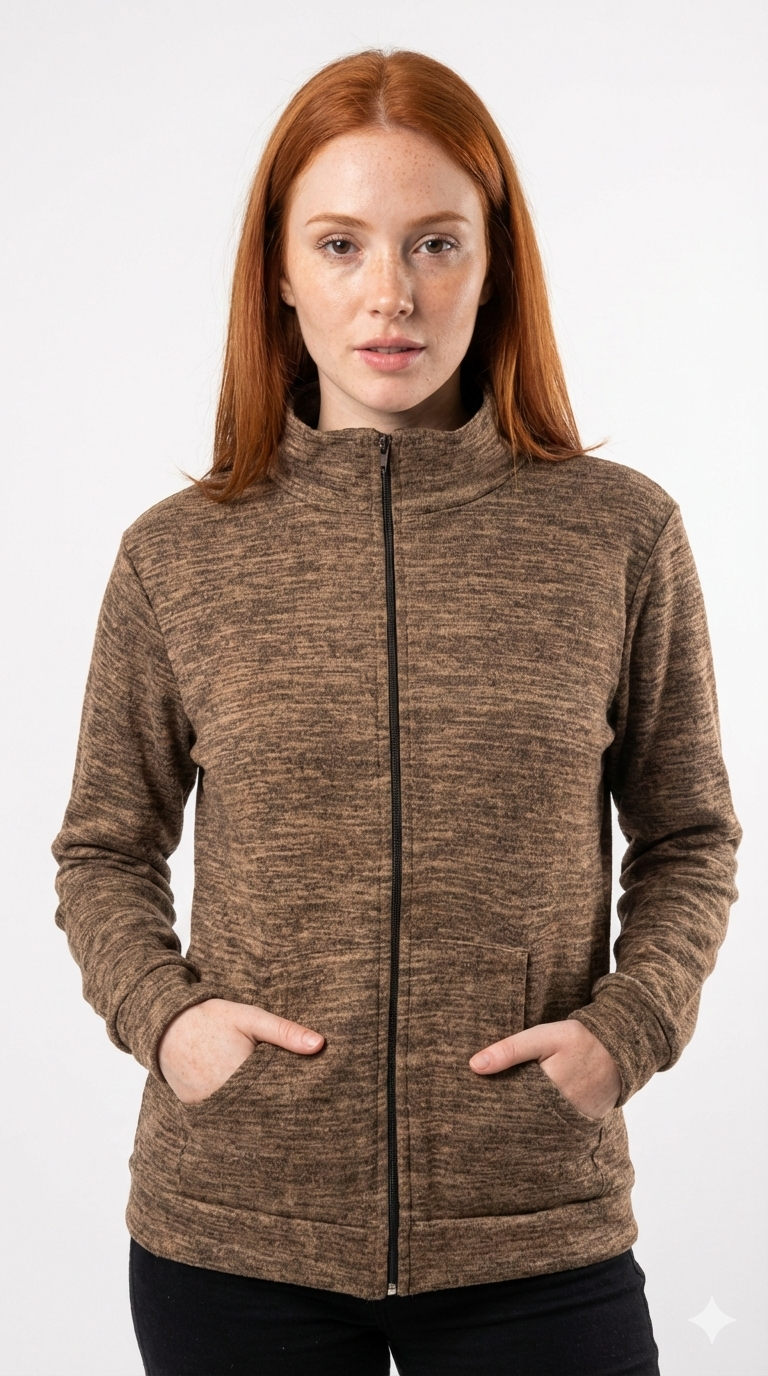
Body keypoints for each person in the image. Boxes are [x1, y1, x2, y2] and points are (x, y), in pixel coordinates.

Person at [52, 47, 741, 1376]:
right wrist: (171, 1024)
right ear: (278, 270)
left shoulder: (620, 536)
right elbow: (103, 849)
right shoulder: (176, 557)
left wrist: (628, 1032)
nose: (392, 293)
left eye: (436, 242)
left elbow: (689, 837)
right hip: (233, 1238)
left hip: (534, 1230)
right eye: (341, 243)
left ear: (493, 264)